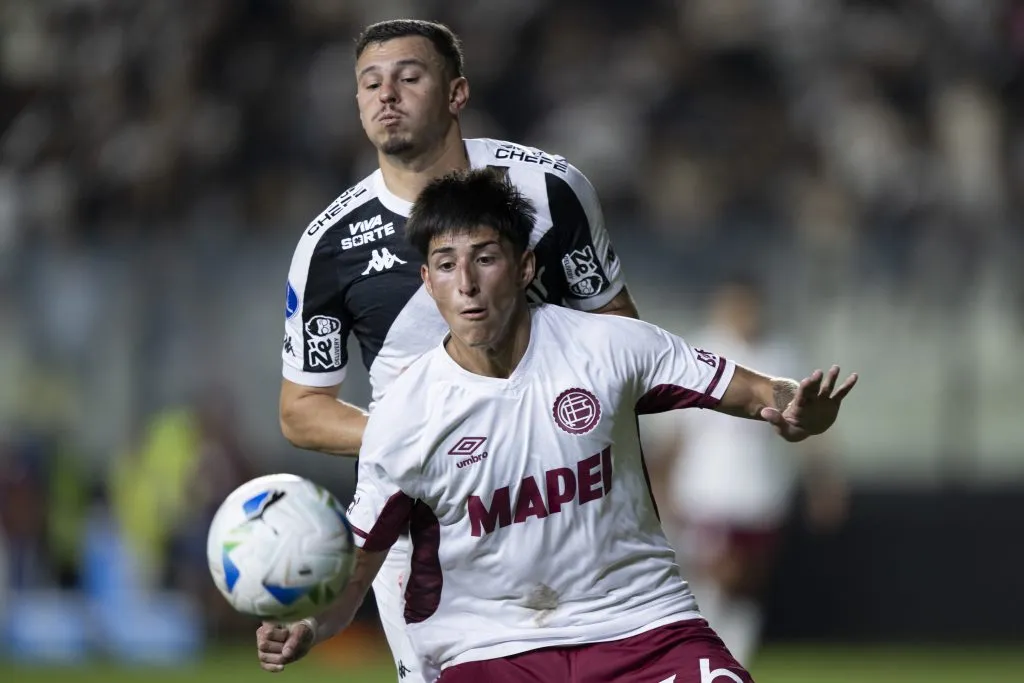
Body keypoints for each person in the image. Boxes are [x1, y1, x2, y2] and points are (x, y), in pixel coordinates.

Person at [257, 169, 858, 682]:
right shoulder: (403, 418)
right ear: (427, 281)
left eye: (484, 258)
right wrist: (308, 626)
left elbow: (757, 390)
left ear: (524, 267)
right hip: (490, 652)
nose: (465, 284)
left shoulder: (612, 346)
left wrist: (795, 407)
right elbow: (358, 572)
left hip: (645, 628)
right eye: (445, 264)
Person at [279, 18, 637, 683]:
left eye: (409, 77)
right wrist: (415, 437)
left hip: (564, 509)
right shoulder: (329, 245)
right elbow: (301, 407)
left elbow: (622, 340)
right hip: (426, 534)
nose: (387, 95)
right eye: (370, 83)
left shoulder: (549, 192)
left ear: (456, 93)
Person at [644, 276, 848, 667]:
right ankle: (703, 662)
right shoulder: (700, 354)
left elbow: (805, 428)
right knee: (718, 581)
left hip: (762, 497)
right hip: (708, 495)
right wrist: (660, 490)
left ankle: (730, 663)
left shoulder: (781, 358)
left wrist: (824, 482)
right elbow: (672, 435)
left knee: (747, 589)